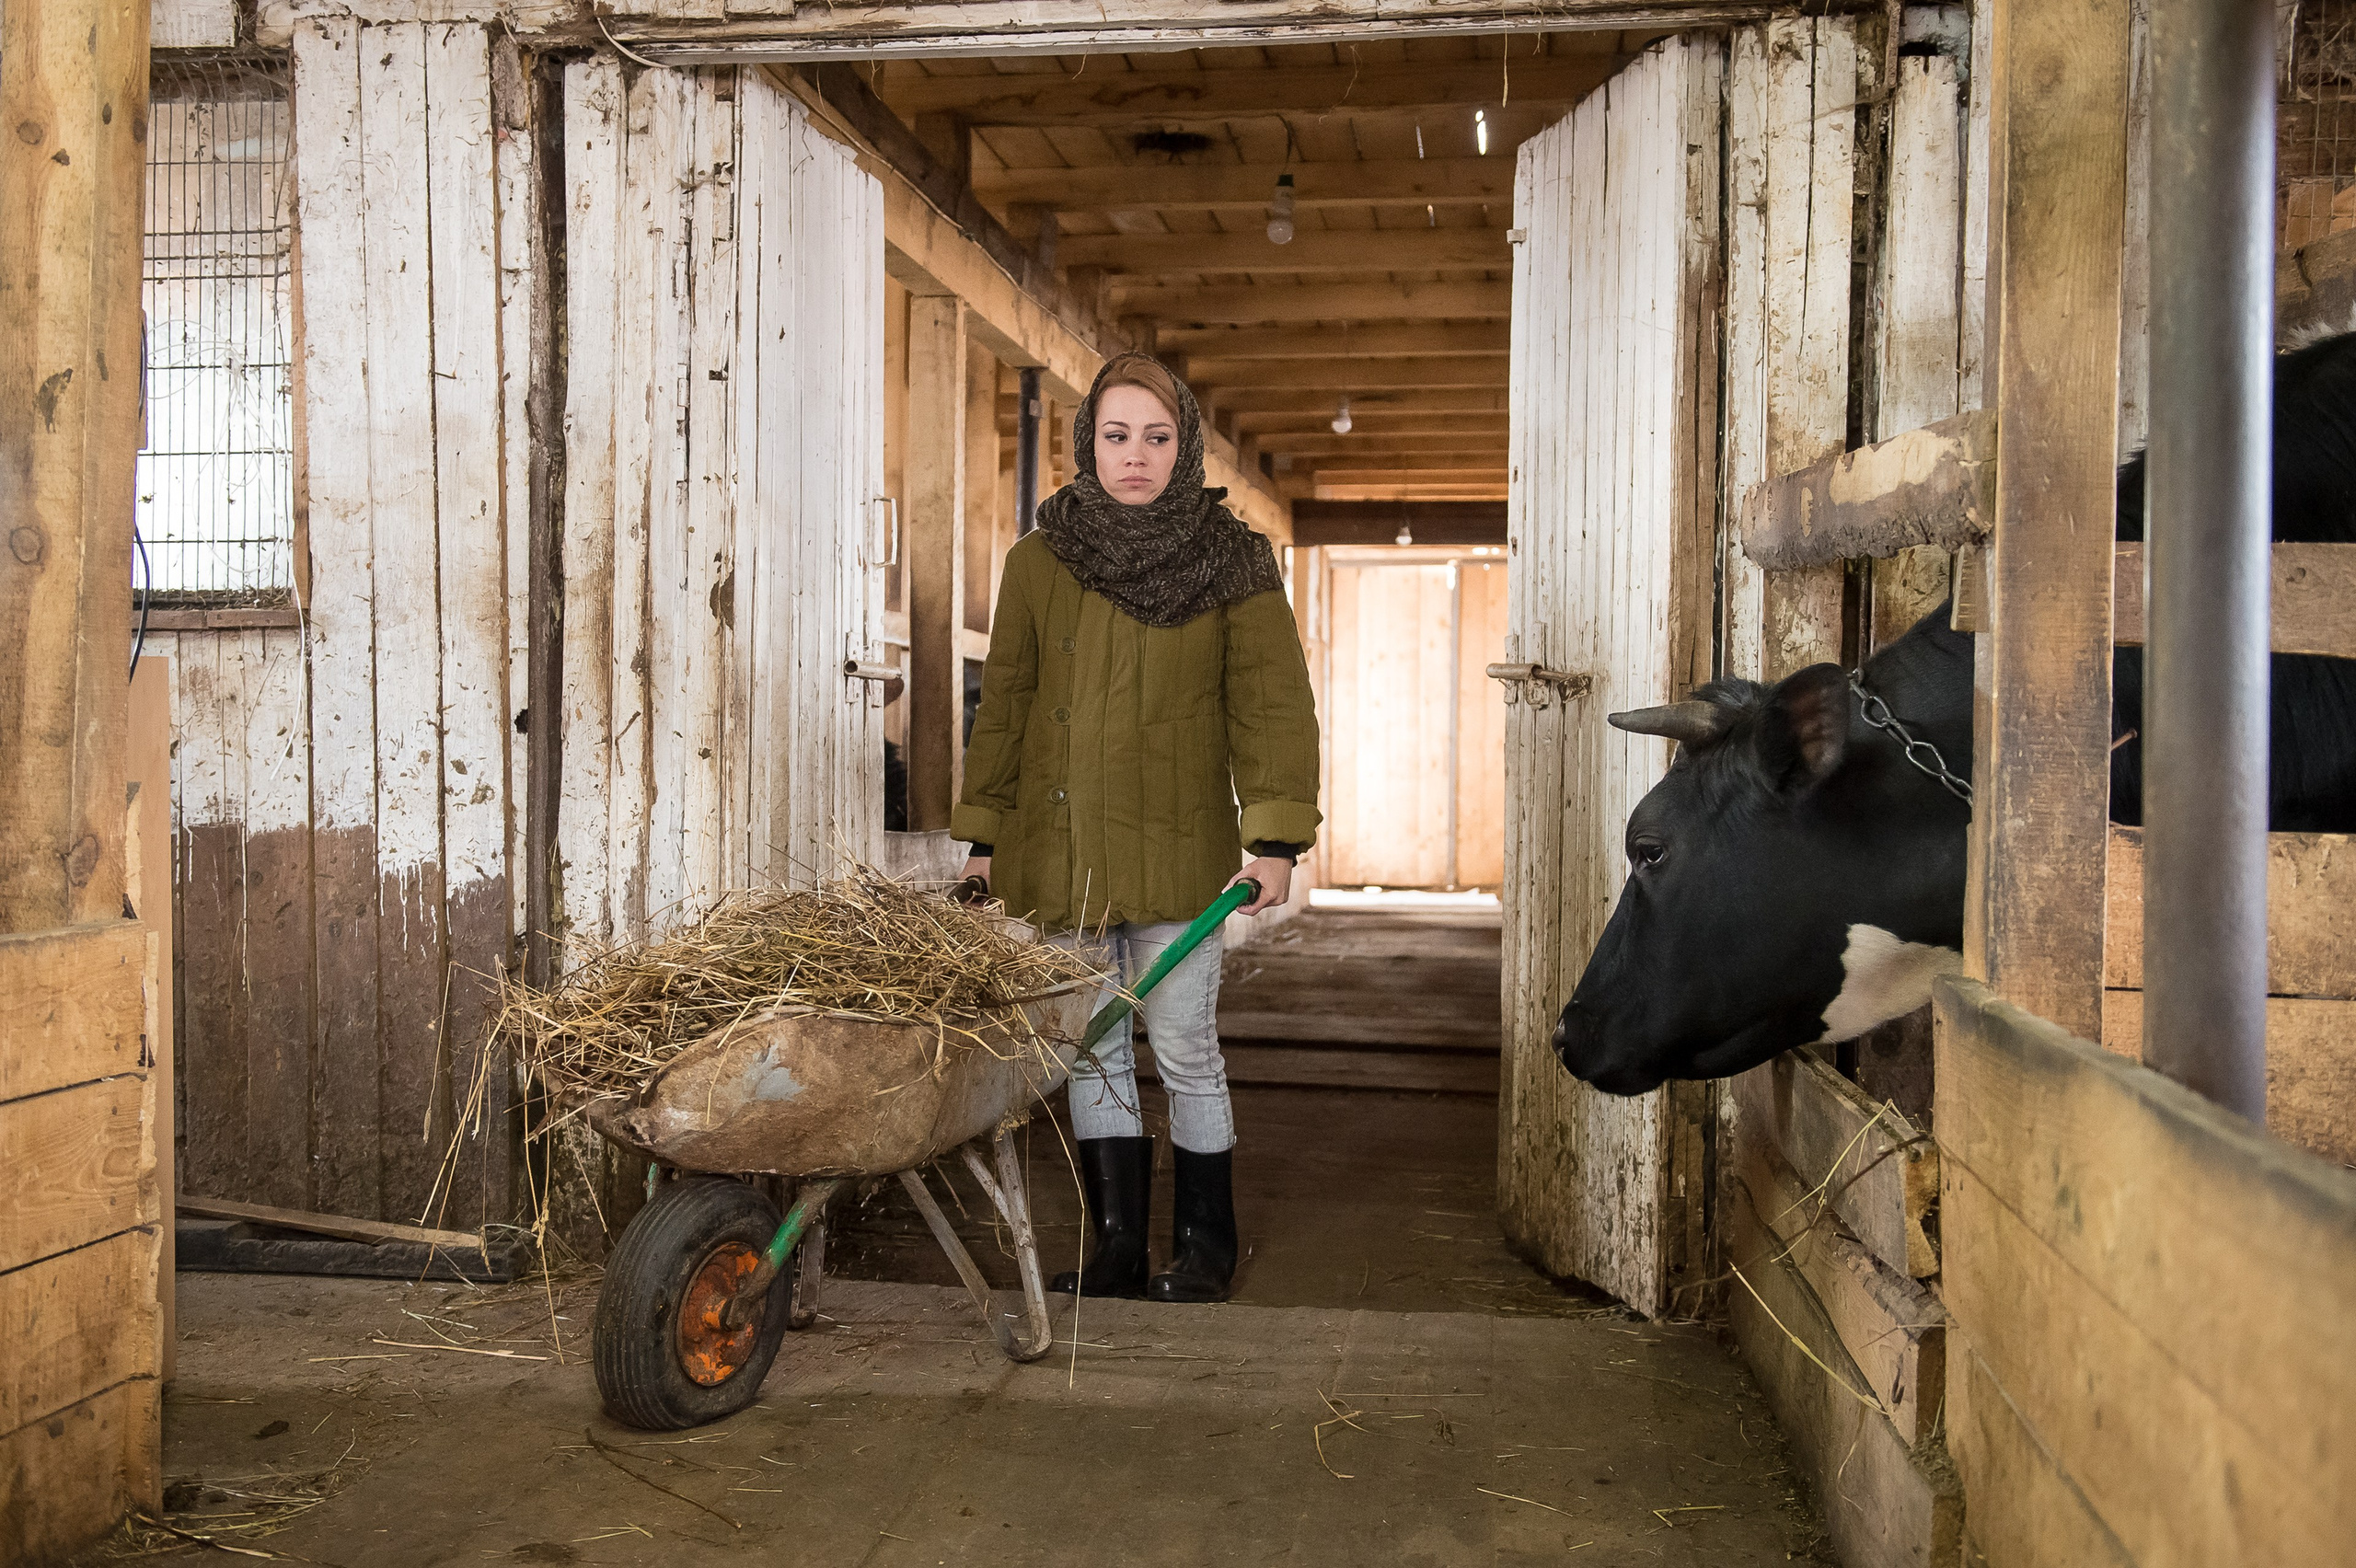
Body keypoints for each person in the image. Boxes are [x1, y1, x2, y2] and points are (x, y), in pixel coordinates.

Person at [953, 352, 1321, 1305]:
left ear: (1184, 445)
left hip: (1179, 851)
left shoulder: (1234, 561)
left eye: (1156, 439)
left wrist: (1275, 840)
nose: (1135, 457)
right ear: (1087, 445)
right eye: (1116, 437)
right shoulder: (1040, 561)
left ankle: (1205, 1246)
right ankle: (1117, 1247)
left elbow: (1270, 707)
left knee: (1186, 1047)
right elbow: (1009, 705)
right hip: (1059, 855)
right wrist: (984, 838)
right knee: (1091, 1046)